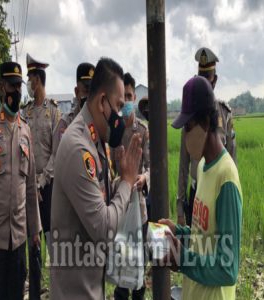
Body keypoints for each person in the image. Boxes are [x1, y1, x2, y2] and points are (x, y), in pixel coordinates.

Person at [50, 57, 143, 300]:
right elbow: (104, 228)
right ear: (102, 102)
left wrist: (120, 181)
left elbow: (99, 196)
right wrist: (126, 181)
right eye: (119, 105)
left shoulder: (96, 140)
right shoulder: (78, 148)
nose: (122, 115)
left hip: (90, 285)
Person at [160, 76, 242, 300]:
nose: (185, 135)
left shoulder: (226, 178)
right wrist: (179, 232)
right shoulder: (203, 167)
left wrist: (183, 259)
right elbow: (203, 236)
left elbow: (228, 269)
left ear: (206, 122)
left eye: (188, 126)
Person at [175, 47, 236, 226]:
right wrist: (180, 207)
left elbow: (232, 159)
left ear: (214, 80)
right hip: (198, 190)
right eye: (200, 77)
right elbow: (183, 164)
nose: (204, 83)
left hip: (219, 192)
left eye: (207, 78)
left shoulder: (225, 115)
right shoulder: (190, 115)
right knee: (199, 242)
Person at [0, 61, 41, 300]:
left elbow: (32, 186)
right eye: (12, 86)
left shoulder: (26, 131)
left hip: (19, 238)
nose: (16, 91)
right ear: (1, 87)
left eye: (19, 85)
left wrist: (34, 230)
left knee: (15, 293)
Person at [22, 53, 61, 299]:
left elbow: (56, 154)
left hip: (48, 187)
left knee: (51, 241)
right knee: (32, 243)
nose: (28, 83)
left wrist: (41, 182)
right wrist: (31, 184)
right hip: (29, 187)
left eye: (30, 78)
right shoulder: (25, 113)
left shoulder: (54, 112)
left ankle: (57, 290)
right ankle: (35, 292)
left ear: (38, 80)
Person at [112, 73, 150, 300]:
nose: (126, 101)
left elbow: (150, 167)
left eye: (129, 96)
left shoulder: (143, 131)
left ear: (134, 97)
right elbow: (109, 170)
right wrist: (121, 181)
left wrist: (144, 179)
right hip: (119, 208)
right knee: (120, 271)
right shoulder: (114, 131)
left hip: (140, 210)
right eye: (122, 97)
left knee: (138, 268)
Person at [52, 62, 95, 157]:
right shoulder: (66, 123)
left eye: (93, 93)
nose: (89, 97)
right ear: (77, 92)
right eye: (86, 91)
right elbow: (57, 159)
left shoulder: (100, 123)